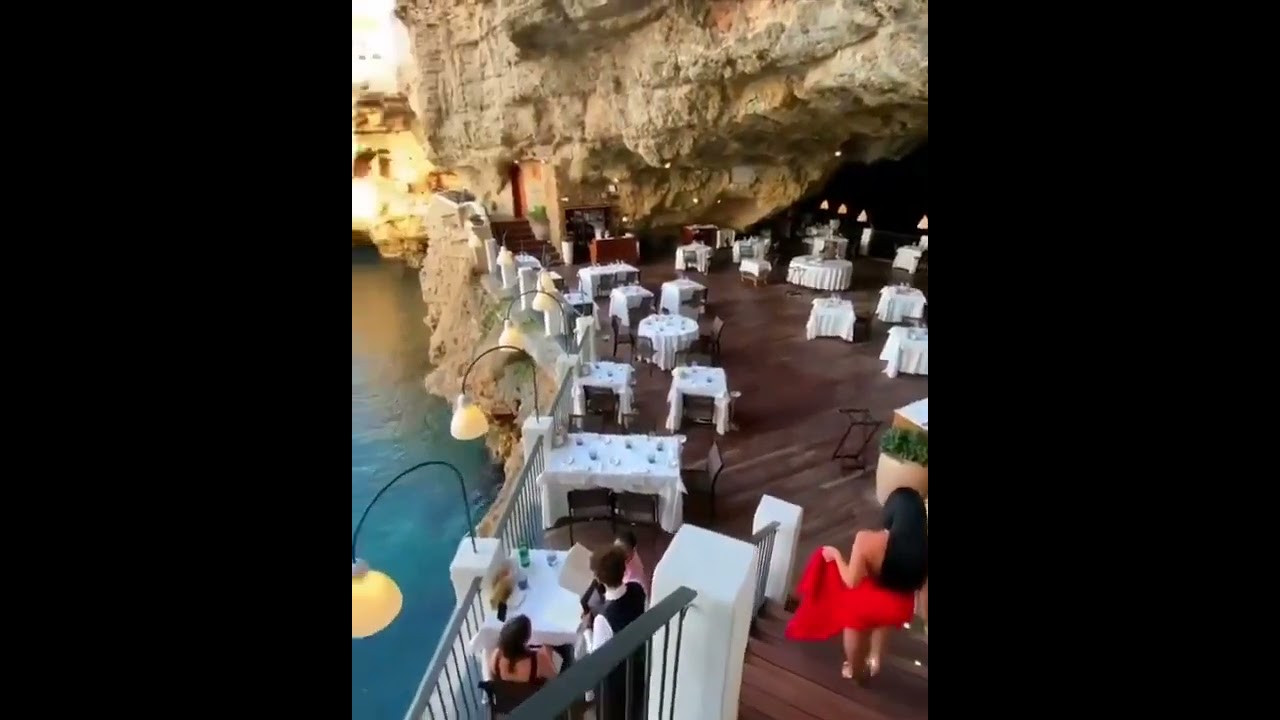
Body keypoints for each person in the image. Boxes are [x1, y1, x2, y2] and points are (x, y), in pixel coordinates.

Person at [785, 487, 928, 681]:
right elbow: (924, 595)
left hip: (869, 606)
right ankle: (876, 659)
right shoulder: (923, 549)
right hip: (899, 607)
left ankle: (855, 669)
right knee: (884, 618)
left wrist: (835, 555)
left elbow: (851, 581)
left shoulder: (867, 540)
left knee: (853, 619)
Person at [582, 546, 646, 719]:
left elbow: (596, 656)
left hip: (617, 679)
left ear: (598, 578)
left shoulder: (603, 619)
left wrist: (587, 631)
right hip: (638, 664)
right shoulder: (637, 588)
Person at [488, 614, 558, 684]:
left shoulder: (496, 656)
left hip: (508, 690)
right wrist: (549, 657)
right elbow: (556, 679)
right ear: (527, 637)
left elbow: (492, 679)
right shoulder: (539, 660)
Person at [615, 530, 649, 598]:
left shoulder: (632, 577)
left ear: (633, 549)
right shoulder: (631, 555)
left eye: (623, 551)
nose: (617, 553)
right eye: (616, 549)